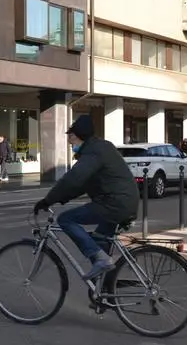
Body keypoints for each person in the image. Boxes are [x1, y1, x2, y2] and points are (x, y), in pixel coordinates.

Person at [33, 115, 139, 280]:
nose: (70, 141)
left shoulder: (93, 152)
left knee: (66, 219)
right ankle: (106, 294)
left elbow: (73, 178)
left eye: (71, 136)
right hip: (121, 202)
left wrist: (48, 200)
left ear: (79, 135)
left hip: (114, 204)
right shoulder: (98, 149)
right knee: (99, 243)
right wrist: (58, 198)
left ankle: (101, 261)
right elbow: (80, 185)